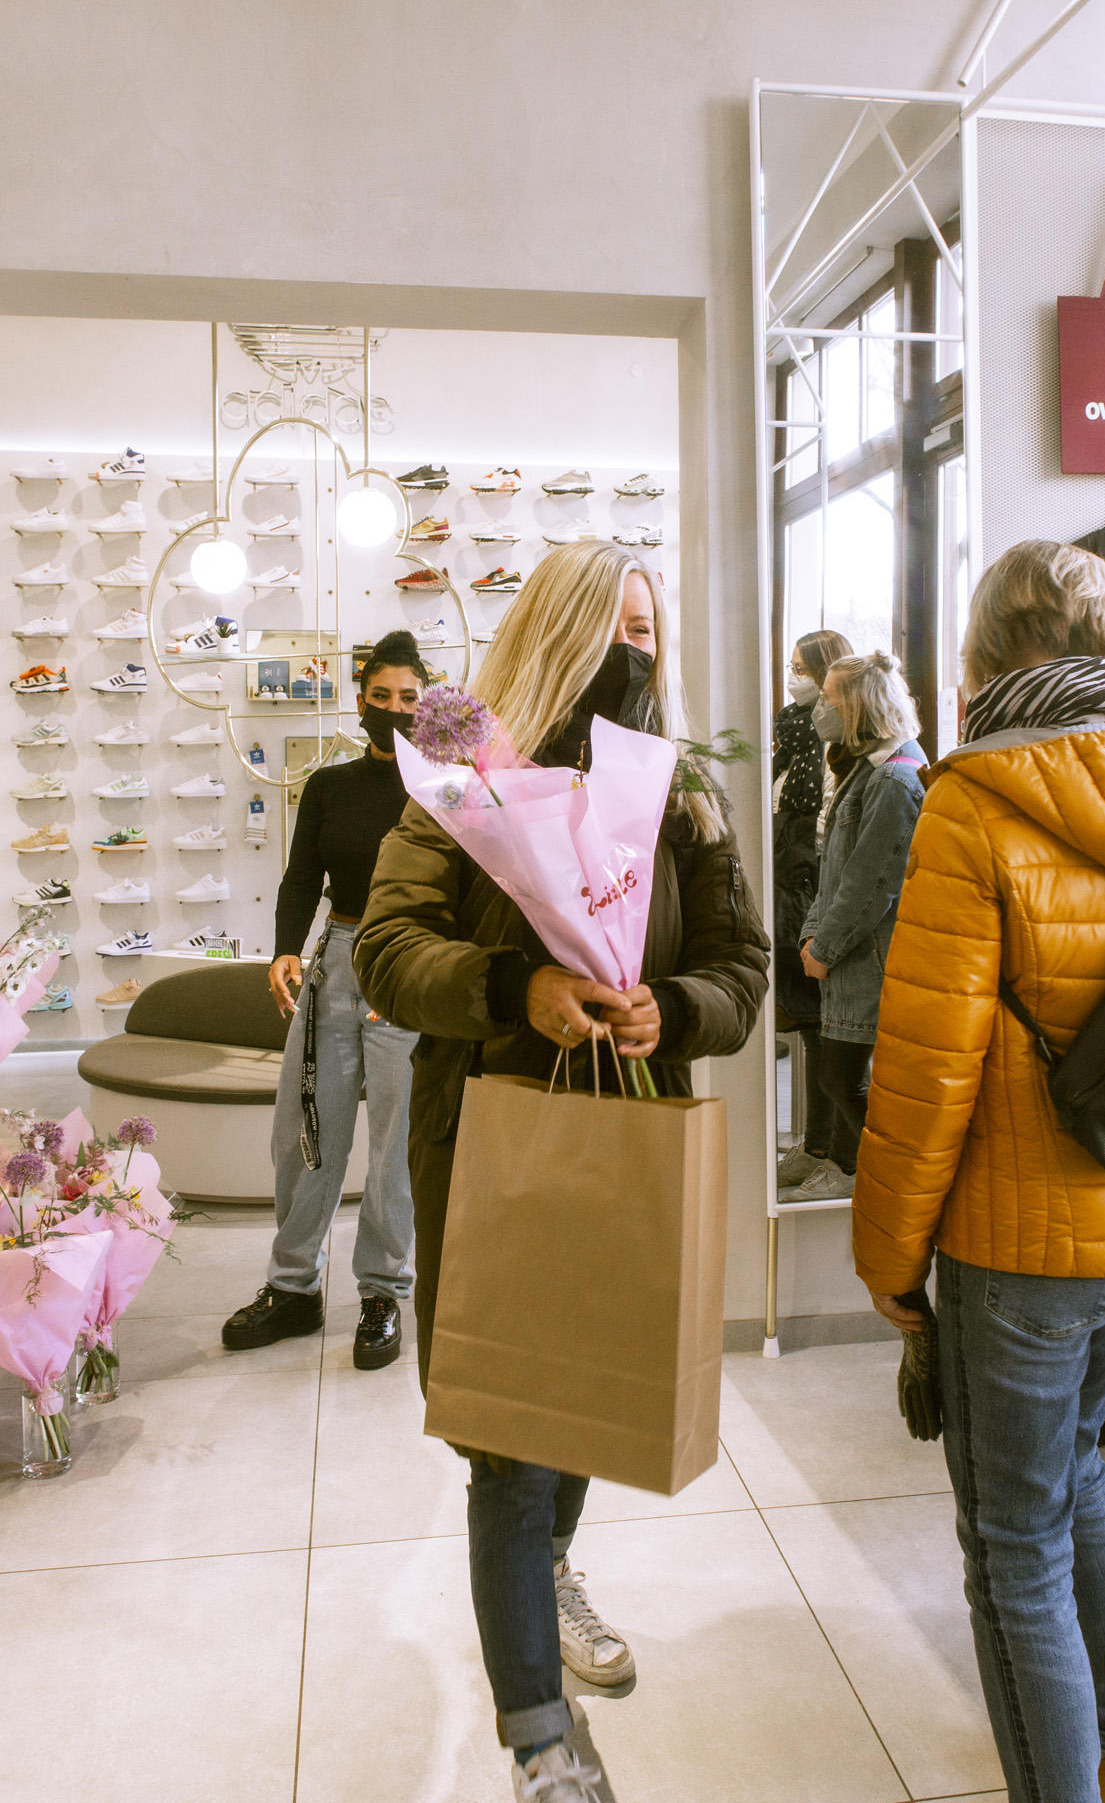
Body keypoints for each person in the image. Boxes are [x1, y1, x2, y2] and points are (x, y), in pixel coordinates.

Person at [353, 541, 768, 1803]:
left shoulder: (684, 792)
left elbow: (742, 965)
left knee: (586, 1388)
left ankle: (550, 1567)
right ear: (555, 635)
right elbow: (387, 948)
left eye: (646, 632)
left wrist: (671, 1008)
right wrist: (511, 986)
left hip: (628, 1138)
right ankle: (540, 1739)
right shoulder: (460, 782)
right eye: (610, 630)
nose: (631, 654)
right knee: (510, 1435)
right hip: (495, 1138)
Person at [853, 541, 1105, 1803]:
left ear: (983, 650)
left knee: (1011, 1545)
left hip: (1015, 1240)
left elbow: (927, 1068)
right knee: (1076, 1477)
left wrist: (887, 1258)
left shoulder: (973, 798)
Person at [220, 630, 426, 1370]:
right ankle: (293, 1287)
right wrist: (285, 947)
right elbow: (302, 875)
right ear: (360, 698)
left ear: (427, 704)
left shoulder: (445, 787)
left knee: (397, 1143)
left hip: (411, 962)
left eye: (408, 698)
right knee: (305, 1131)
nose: (394, 709)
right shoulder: (329, 787)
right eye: (381, 696)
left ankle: (382, 1292)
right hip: (336, 962)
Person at [784, 650, 924, 1201]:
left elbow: (872, 881)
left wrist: (825, 946)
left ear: (859, 706)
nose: (821, 707)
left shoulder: (894, 778)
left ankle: (879, 1178)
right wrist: (812, 935)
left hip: (870, 961)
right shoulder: (867, 770)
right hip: (850, 956)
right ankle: (852, 1171)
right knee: (840, 1075)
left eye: (830, 699)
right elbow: (835, 870)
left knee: (842, 1079)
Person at [772, 626, 851, 1191]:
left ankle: (835, 1152)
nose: (792, 678)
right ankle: (817, 1143)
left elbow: (828, 824)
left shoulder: (834, 742)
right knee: (808, 1023)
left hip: (813, 883)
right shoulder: (790, 733)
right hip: (790, 880)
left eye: (801, 668)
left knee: (826, 1025)